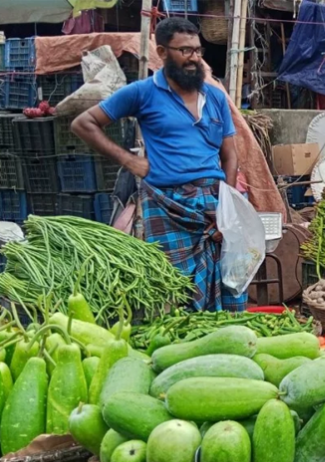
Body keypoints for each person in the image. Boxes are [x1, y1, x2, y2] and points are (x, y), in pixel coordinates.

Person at [71, 17, 245, 312]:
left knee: (230, 282)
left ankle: (229, 335)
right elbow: (83, 123)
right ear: (162, 52)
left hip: (213, 201)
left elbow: (230, 155)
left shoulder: (215, 97)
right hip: (167, 204)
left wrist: (226, 207)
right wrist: (128, 159)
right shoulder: (142, 93)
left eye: (197, 50)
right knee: (176, 290)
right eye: (185, 50)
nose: (194, 58)